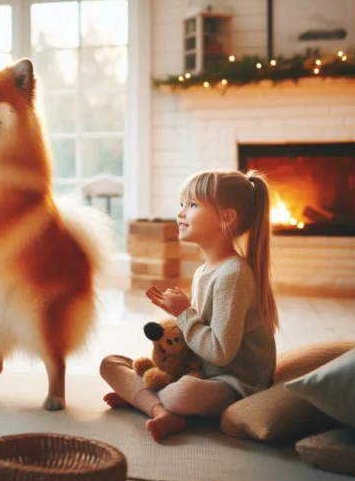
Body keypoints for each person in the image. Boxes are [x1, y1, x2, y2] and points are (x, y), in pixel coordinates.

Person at [99, 170, 279, 442]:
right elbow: (195, 336)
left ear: (226, 218)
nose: (181, 213)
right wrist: (173, 328)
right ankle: (160, 409)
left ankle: (149, 402)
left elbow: (219, 353)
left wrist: (184, 313)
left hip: (232, 382)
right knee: (110, 364)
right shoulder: (203, 272)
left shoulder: (234, 275)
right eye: (181, 205)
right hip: (201, 372)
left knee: (179, 394)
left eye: (192, 205)